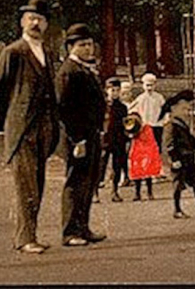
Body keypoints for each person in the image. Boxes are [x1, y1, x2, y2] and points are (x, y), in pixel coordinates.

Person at [0, 0, 60, 254]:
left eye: (40, 19)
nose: (35, 22)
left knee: (37, 184)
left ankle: (31, 235)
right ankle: (24, 238)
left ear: (46, 23)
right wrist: (10, 122)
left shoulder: (48, 53)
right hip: (22, 130)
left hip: (44, 128)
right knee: (25, 185)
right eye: (30, 18)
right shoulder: (13, 52)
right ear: (22, 21)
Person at [56, 24, 107, 247]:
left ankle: (83, 227)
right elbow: (64, 110)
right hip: (78, 138)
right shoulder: (69, 72)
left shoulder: (85, 69)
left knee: (89, 182)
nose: (88, 48)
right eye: (82, 45)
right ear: (70, 47)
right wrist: (77, 140)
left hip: (91, 135)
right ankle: (70, 232)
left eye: (89, 44)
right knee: (75, 183)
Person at [162, 90, 195, 218]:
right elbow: (169, 144)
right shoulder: (171, 125)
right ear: (174, 109)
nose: (186, 111)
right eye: (183, 108)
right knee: (178, 185)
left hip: (188, 157)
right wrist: (174, 159)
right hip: (179, 158)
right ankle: (177, 209)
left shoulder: (181, 123)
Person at [98, 77, 129, 203]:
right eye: (112, 90)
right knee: (101, 166)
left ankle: (114, 191)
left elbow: (125, 124)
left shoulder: (122, 107)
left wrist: (127, 138)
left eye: (117, 90)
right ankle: (95, 192)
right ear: (107, 90)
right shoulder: (102, 106)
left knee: (117, 166)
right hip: (104, 140)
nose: (115, 93)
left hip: (119, 140)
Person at [124, 113, 161, 201]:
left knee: (147, 173)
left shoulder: (147, 128)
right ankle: (137, 194)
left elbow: (149, 140)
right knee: (137, 173)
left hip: (145, 152)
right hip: (137, 152)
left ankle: (149, 193)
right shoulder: (133, 128)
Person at [129, 73, 166, 153]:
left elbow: (165, 109)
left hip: (157, 125)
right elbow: (132, 109)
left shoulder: (159, 98)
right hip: (145, 125)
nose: (149, 88)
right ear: (143, 85)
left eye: (151, 85)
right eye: (147, 85)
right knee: (145, 145)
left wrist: (164, 120)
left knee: (157, 145)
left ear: (155, 85)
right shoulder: (141, 98)